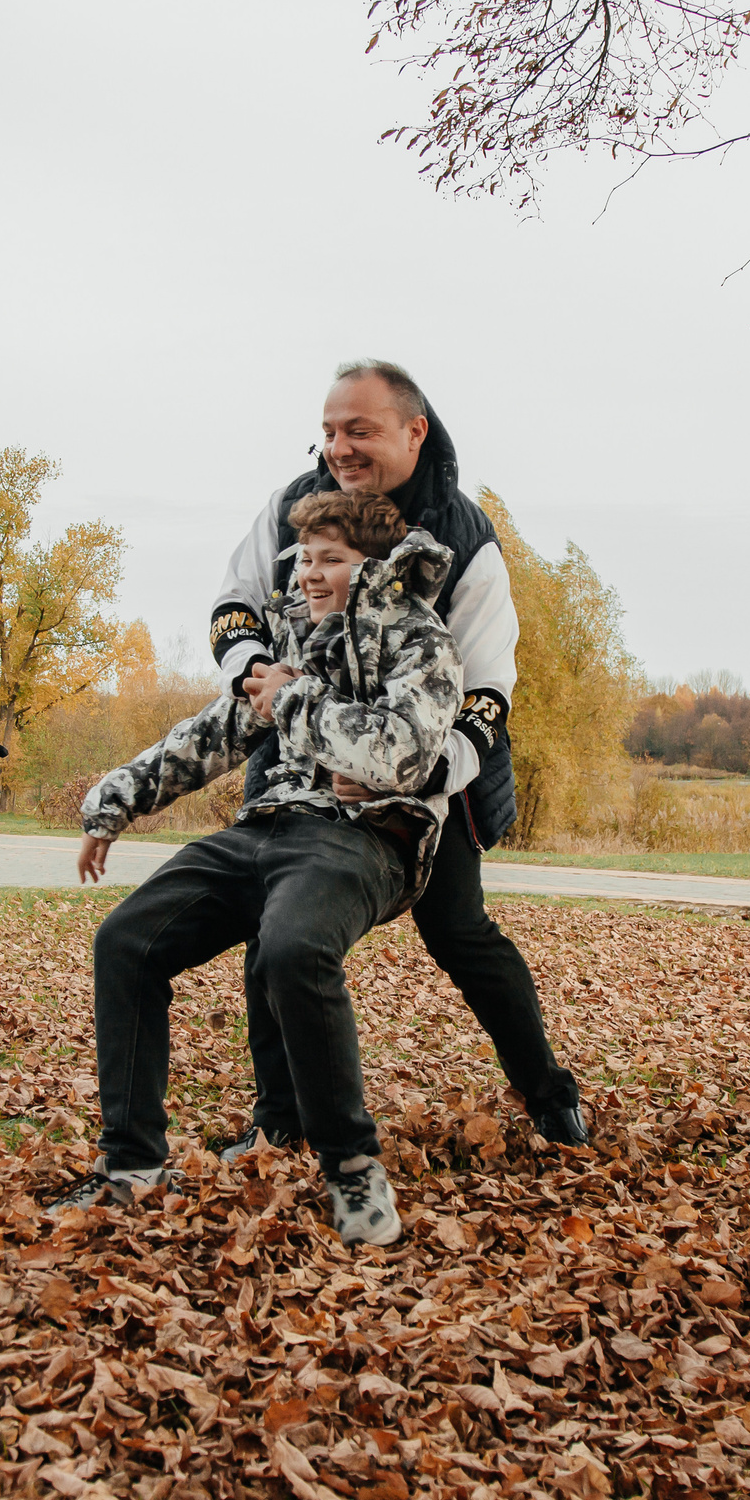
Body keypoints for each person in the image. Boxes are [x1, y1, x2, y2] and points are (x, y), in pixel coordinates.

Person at [57, 491, 459, 1246]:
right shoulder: (293, 641)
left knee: (290, 949)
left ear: (372, 567)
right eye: (304, 558)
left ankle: (353, 1173)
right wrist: (110, 802)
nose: (309, 574)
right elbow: (213, 733)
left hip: (359, 839)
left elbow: (404, 751)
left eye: (329, 560)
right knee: (126, 941)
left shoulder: (420, 640)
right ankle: (131, 1168)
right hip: (264, 827)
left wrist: (297, 700)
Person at [208, 360, 589, 1154]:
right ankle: (279, 1121)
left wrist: (413, 772)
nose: (340, 447)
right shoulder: (291, 509)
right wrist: (257, 672)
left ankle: (550, 1095)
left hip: (429, 778)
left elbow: (488, 688)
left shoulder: (465, 537)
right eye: (330, 430)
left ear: (414, 431)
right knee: (272, 928)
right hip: (302, 758)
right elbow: (235, 602)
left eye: (361, 430)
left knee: (460, 933)